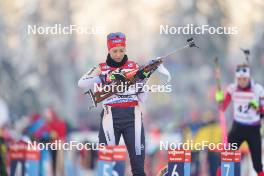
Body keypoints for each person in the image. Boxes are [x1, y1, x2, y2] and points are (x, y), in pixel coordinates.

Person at [78, 32, 149, 176]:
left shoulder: (133, 66)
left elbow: (143, 97)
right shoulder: (101, 67)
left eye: (121, 50)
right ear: (109, 50)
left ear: (125, 49)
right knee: (106, 165)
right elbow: (81, 83)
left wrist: (142, 80)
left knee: (138, 166)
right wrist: (103, 78)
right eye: (114, 51)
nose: (118, 54)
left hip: (132, 117)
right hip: (110, 118)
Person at [215, 63, 264, 176]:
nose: (242, 81)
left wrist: (257, 107)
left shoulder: (258, 89)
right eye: (239, 79)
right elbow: (222, 107)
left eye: (244, 79)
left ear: (249, 77)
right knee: (226, 157)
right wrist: (219, 97)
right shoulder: (232, 89)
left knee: (257, 165)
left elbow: (263, 111)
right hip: (238, 128)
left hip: (253, 129)